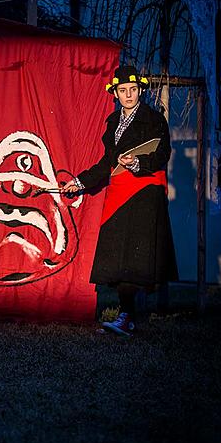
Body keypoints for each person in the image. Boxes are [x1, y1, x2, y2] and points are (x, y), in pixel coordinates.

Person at [62, 65, 177, 336]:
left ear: (140, 91)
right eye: (123, 91)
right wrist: (79, 182)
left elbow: (163, 154)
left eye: (133, 90)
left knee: (134, 260)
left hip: (143, 195)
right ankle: (126, 316)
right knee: (118, 258)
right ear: (115, 93)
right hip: (119, 194)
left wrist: (138, 162)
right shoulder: (113, 121)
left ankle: (127, 317)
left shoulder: (153, 118)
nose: (128, 95)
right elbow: (107, 163)